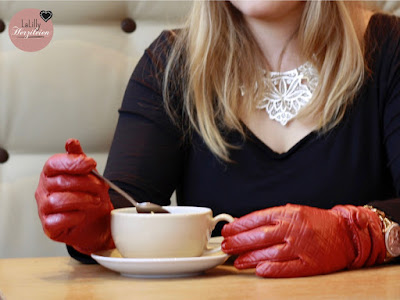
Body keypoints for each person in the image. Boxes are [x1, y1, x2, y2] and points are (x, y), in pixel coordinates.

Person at [35, 1, 400, 278]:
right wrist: (85, 219)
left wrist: (355, 236)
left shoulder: (390, 48)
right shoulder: (169, 64)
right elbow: (121, 214)